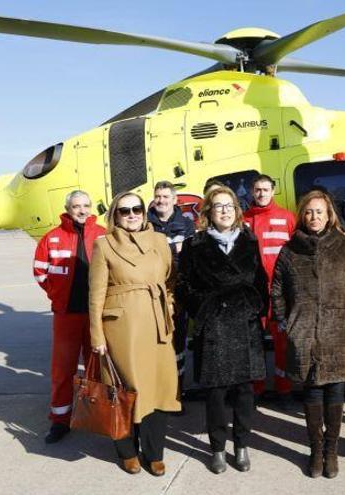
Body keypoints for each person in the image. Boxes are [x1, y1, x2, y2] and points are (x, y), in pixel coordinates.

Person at [271, 190, 345, 478]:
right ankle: (315, 450)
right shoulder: (290, 251)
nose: (314, 217)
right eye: (309, 212)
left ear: (329, 215)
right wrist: (284, 323)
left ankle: (332, 451)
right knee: (312, 389)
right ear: (302, 215)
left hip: (339, 332)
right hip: (303, 333)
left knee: (336, 389)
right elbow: (277, 290)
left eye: (320, 212)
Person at [88, 191, 181, 476]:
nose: (132, 215)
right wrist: (97, 336)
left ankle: (154, 453)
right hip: (121, 329)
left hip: (157, 326)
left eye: (137, 209)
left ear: (145, 211)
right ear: (115, 215)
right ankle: (126, 451)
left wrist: (170, 309)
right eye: (124, 211)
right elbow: (95, 294)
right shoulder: (103, 245)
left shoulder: (159, 241)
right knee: (125, 389)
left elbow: (169, 280)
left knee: (159, 388)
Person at [177, 186, 268, 474]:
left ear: (237, 211)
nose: (225, 211)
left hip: (243, 325)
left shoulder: (249, 241)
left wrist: (256, 308)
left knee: (244, 392)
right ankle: (217, 447)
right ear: (208, 213)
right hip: (214, 326)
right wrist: (202, 309)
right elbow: (184, 285)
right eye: (218, 206)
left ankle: (241, 445)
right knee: (215, 394)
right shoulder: (195, 245)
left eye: (229, 206)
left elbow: (260, 282)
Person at [32, 190, 106, 444]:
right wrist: (57, 295)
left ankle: (97, 415)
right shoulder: (52, 238)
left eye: (86, 205)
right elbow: (40, 272)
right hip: (66, 315)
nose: (82, 210)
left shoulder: (103, 235)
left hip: (96, 315)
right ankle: (60, 420)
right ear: (67, 208)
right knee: (63, 370)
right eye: (77, 206)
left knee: (96, 367)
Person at [242, 174, 296, 406]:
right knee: (252, 343)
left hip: (279, 293)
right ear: (252, 192)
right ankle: (256, 389)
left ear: (273, 191)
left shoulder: (287, 218)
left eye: (265, 189)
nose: (261, 193)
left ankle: (284, 389)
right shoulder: (242, 220)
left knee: (282, 343)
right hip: (252, 293)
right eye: (257, 190)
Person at [147, 181, 196, 403]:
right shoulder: (145, 224)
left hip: (178, 291)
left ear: (175, 200)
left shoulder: (186, 225)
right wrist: (174, 248)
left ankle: (177, 392)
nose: (161, 201)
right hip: (152, 292)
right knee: (155, 341)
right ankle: (158, 391)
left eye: (166, 197)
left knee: (178, 342)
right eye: (158, 196)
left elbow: (191, 255)